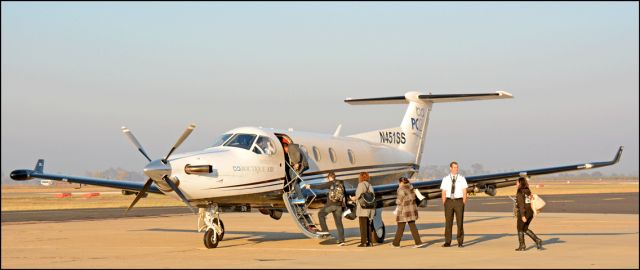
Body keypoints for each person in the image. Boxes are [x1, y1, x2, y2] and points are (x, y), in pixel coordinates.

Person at [304, 172, 346, 246]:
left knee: (321, 214)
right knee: (339, 223)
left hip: (331, 205)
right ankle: (342, 241)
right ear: (334, 177)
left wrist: (310, 186)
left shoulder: (330, 183)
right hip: (339, 206)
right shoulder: (341, 184)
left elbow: (320, 187)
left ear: (329, 177)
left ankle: (325, 231)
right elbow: (344, 194)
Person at [440, 161, 468, 248]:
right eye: (454, 167)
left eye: (457, 167)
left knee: (460, 222)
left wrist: (463, 202)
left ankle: (460, 242)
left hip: (459, 202)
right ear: (450, 168)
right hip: (448, 202)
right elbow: (443, 192)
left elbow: (465, 191)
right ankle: (447, 242)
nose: (456, 169)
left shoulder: (462, 178)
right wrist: (445, 202)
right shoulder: (445, 179)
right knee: (448, 222)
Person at [392, 177, 426, 248]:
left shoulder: (401, 189)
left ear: (401, 182)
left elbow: (399, 201)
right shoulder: (411, 188)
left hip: (404, 211)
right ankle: (418, 242)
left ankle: (396, 243)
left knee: (400, 227)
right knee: (413, 227)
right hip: (412, 210)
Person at [515, 176, 543, 251]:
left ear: (520, 183)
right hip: (530, 212)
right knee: (525, 228)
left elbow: (521, 205)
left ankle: (522, 246)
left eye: (517, 182)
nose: (516, 184)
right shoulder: (527, 191)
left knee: (519, 228)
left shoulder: (520, 192)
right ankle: (537, 240)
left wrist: (523, 215)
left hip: (524, 213)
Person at [350, 172, 375, 247]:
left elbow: (358, 195)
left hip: (363, 209)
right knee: (369, 225)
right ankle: (370, 242)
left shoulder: (360, 185)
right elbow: (373, 194)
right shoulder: (369, 185)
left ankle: (363, 242)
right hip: (370, 208)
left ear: (360, 177)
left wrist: (352, 198)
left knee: (363, 226)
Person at [282, 137, 308, 204]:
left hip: (301, 164)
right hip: (302, 164)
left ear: (285, 147)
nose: (285, 152)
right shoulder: (291, 148)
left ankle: (301, 198)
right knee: (291, 172)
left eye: (284, 150)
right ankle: (301, 185)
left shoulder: (291, 147)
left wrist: (297, 163)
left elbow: (297, 153)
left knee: (294, 181)